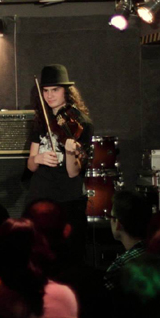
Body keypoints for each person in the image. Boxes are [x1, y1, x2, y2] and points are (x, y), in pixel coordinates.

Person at [26, 65, 94, 256]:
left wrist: (70, 152)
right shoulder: (41, 120)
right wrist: (39, 158)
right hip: (40, 196)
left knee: (68, 254)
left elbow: (73, 173)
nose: (49, 95)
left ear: (66, 91)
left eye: (55, 90)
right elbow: (30, 166)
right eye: (46, 91)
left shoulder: (82, 123)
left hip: (68, 200)